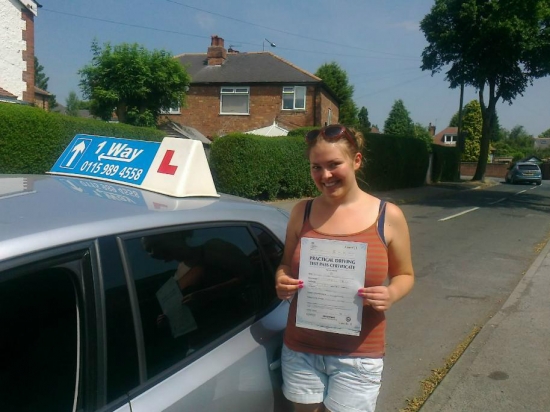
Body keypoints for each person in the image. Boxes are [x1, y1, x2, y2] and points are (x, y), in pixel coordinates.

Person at [275, 124, 414, 412]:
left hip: (358, 356)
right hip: (301, 348)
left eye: (334, 164)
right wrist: (281, 278)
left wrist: (392, 293)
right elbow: (285, 264)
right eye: (316, 167)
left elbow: (405, 275)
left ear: (357, 161)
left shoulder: (388, 216)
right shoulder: (302, 211)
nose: (325, 175)